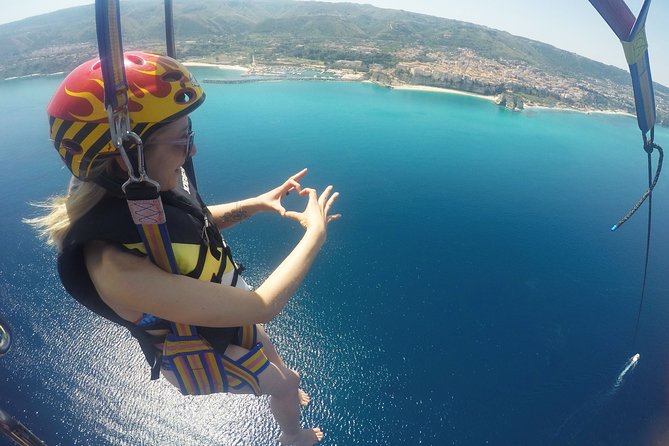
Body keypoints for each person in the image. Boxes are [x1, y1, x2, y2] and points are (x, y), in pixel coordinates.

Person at [27, 51, 340, 446]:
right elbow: (264, 306)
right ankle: (292, 435)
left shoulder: (136, 194)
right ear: (128, 160)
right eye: (181, 140)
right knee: (282, 383)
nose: (192, 152)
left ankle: (286, 391)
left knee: (282, 374)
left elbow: (188, 230)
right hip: (206, 347)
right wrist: (316, 233)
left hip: (218, 317)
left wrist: (256, 204)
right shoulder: (116, 270)